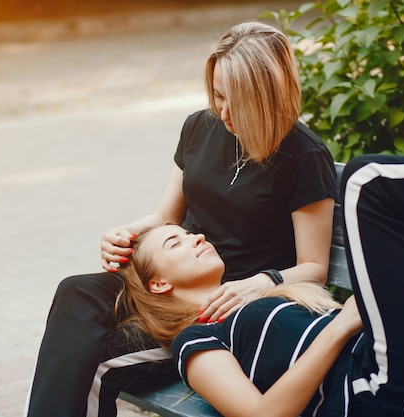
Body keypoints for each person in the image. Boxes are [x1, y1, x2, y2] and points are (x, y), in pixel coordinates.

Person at [24, 21, 337, 417]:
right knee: (77, 291)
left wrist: (260, 283)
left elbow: (315, 267)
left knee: (98, 360)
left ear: (267, 96)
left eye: (234, 101)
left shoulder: (303, 155)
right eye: (217, 95)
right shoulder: (199, 126)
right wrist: (123, 234)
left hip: (218, 305)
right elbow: (164, 217)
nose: (222, 111)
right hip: (177, 272)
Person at [117, 154, 404, 417]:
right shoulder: (197, 338)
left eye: (188, 233)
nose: (195, 237)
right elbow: (263, 414)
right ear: (159, 283)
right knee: (366, 183)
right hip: (386, 392)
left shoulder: (261, 296)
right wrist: (341, 325)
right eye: (176, 242)